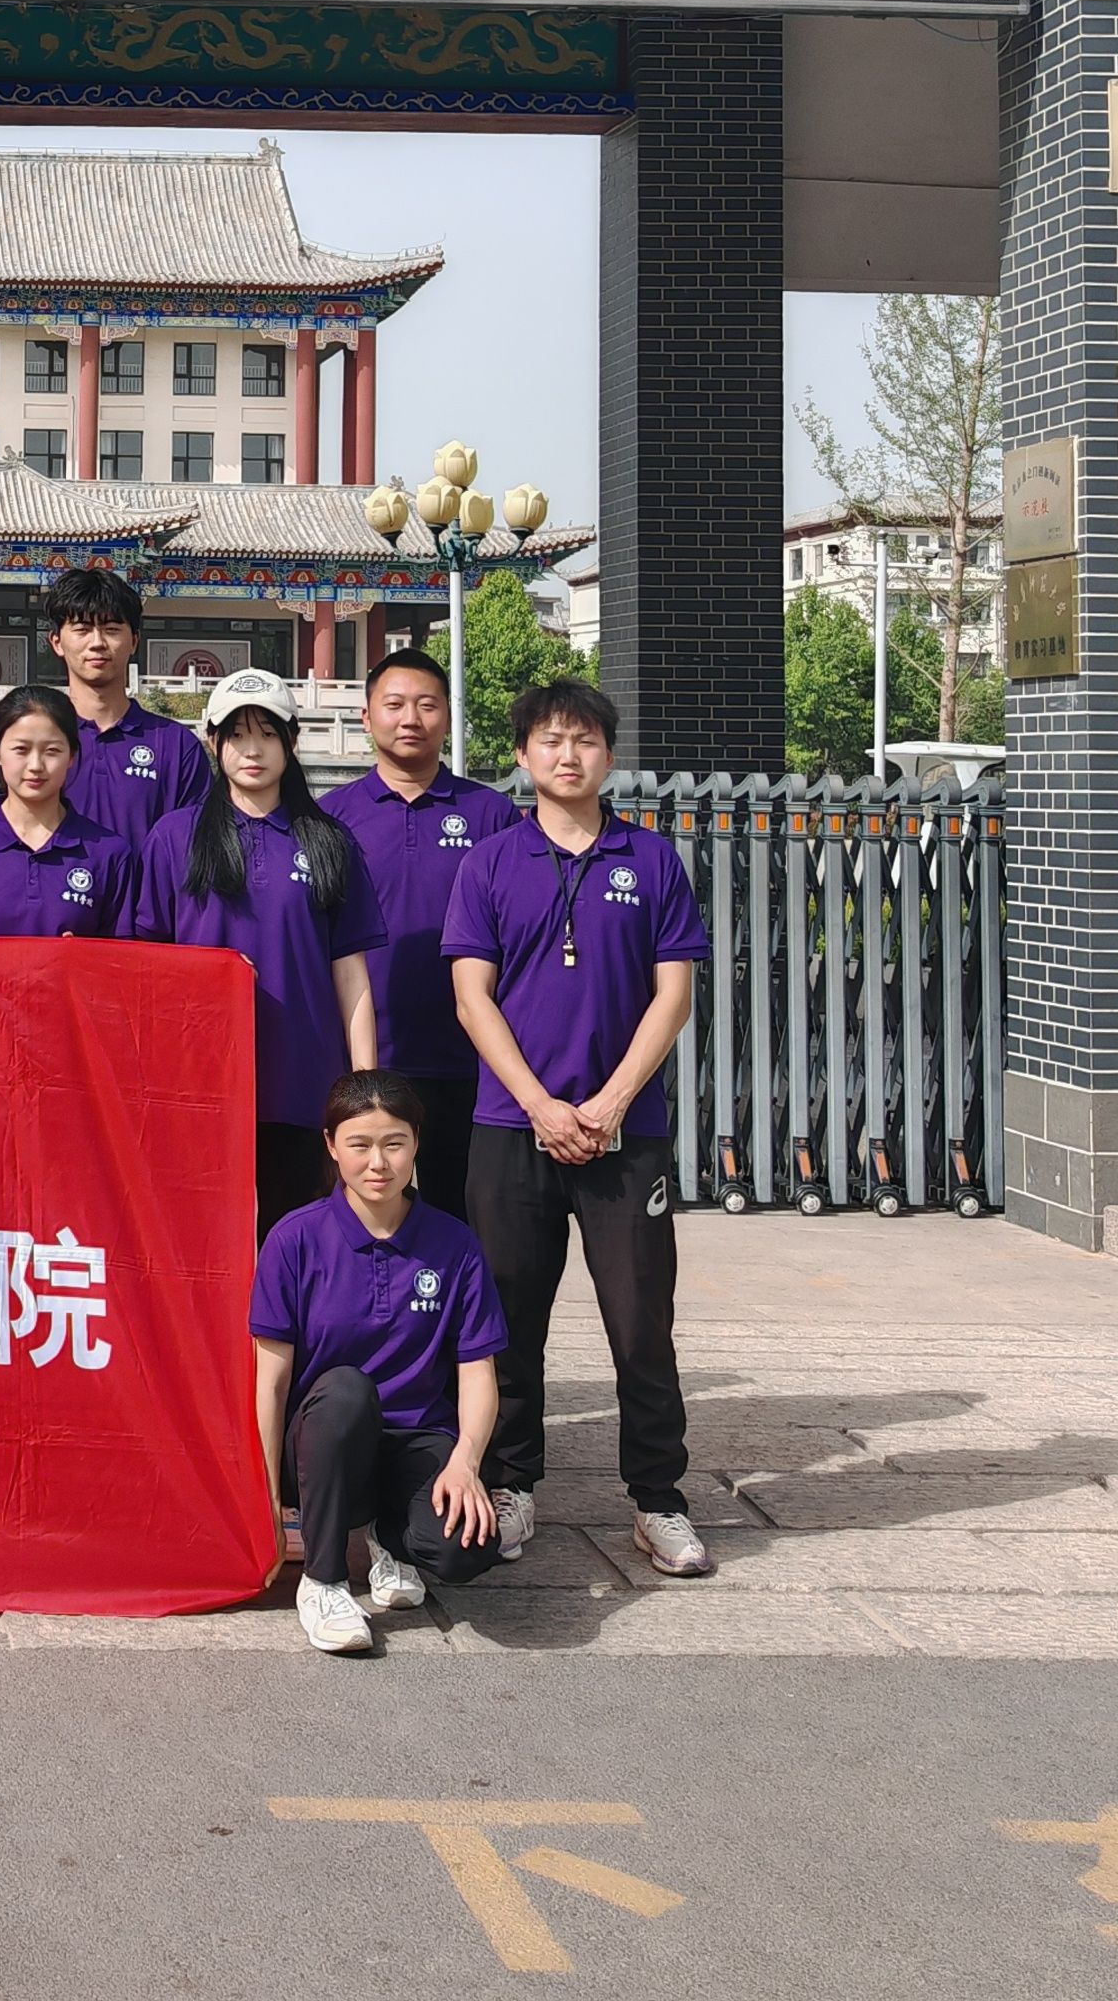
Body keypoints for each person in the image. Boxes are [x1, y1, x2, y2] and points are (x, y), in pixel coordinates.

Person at [440, 677, 713, 1581]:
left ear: (609, 755)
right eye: (551, 740)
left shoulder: (652, 860)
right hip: (509, 1127)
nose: (568, 754)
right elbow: (472, 998)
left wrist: (611, 1103)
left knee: (641, 1322)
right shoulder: (489, 864)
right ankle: (513, 1483)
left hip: (625, 1137)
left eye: (586, 740)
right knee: (509, 1320)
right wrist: (541, 1106)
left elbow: (673, 996)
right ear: (522, 755)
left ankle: (659, 1498)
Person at [251, 1071, 505, 1655]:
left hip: (416, 1438)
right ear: (330, 1145)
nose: (378, 1163)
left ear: (416, 1143)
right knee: (346, 1391)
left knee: (465, 1549)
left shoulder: (455, 1245)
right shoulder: (294, 1240)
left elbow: (477, 1373)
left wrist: (466, 1463)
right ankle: (324, 1582)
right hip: (324, 1442)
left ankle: (391, 1538)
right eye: (359, 1144)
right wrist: (263, 1500)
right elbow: (271, 1383)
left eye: (394, 1144)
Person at [129, 666, 381, 1231]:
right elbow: (148, 968)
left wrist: (365, 1088)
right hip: (199, 1082)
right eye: (237, 734)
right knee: (201, 1239)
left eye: (268, 734)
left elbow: (351, 974)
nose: (252, 749)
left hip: (302, 1084)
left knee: (294, 1241)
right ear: (212, 742)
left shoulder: (329, 840)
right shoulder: (174, 838)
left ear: (291, 741)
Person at [325, 649, 526, 1159]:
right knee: (369, 1195)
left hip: (469, 1058)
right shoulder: (330, 817)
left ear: (449, 717)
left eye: (427, 705)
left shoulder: (492, 814)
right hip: (360, 1055)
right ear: (366, 717)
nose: (410, 719)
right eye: (394, 705)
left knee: (460, 1201)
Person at [0, 684, 135, 939]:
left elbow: (122, 954)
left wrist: (85, 955)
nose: (35, 766)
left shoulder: (109, 853)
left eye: (52, 751)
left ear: (71, 756)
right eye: (21, 750)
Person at [43, 567, 211, 842]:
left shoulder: (177, 746)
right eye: (82, 629)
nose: (97, 643)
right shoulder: (33, 742)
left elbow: (196, 846)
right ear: (57, 642)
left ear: (134, 641)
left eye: (111, 629)